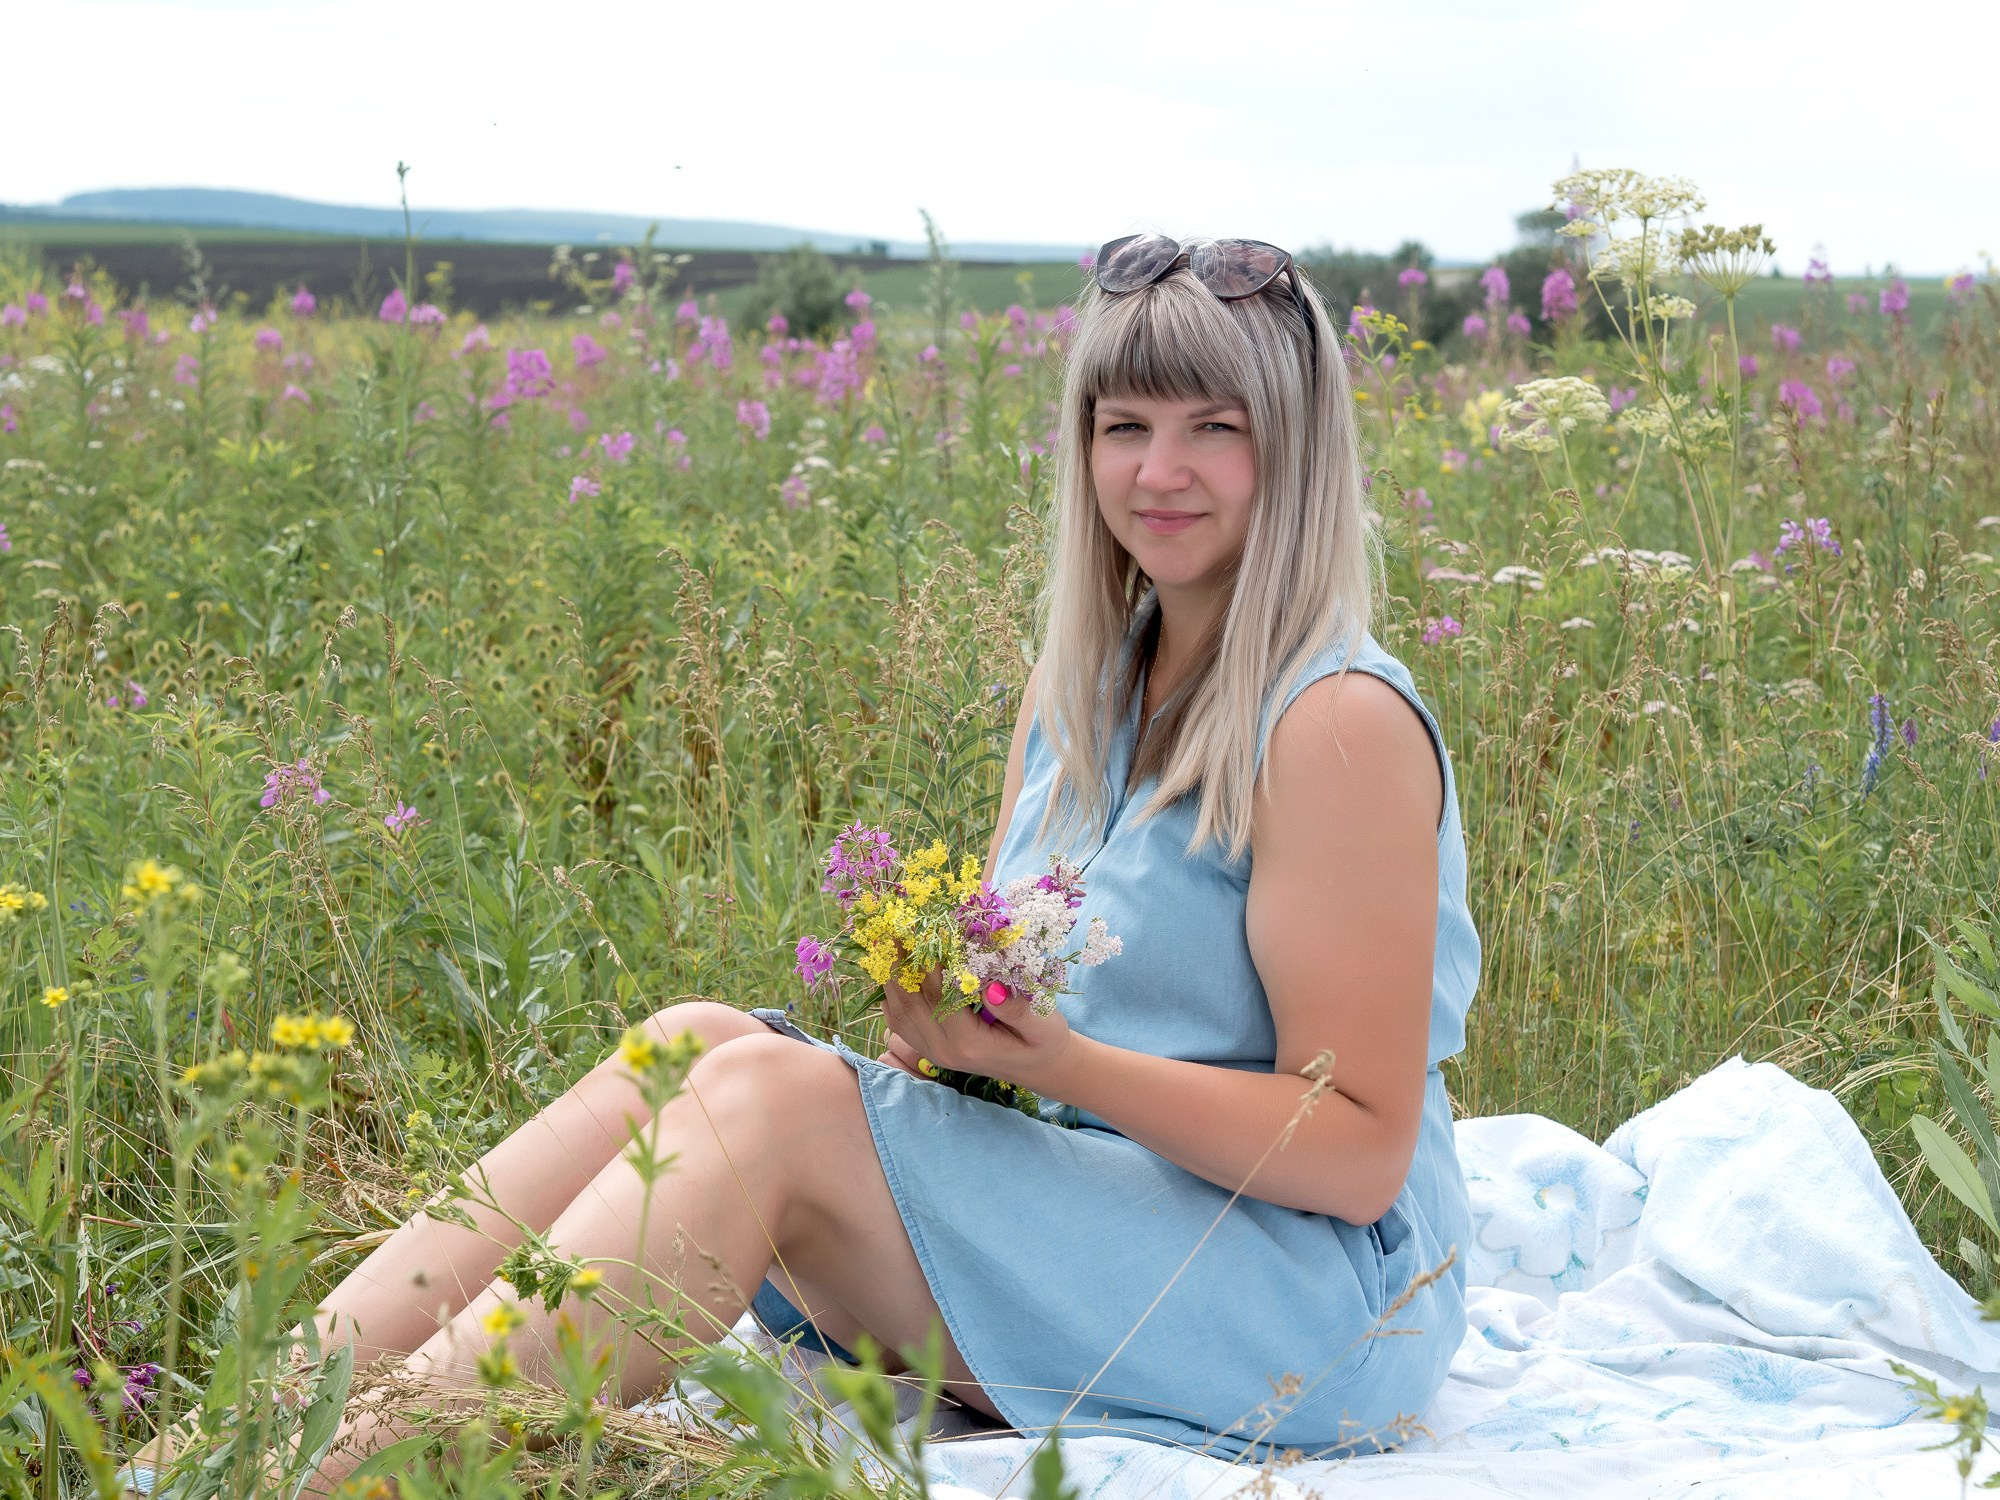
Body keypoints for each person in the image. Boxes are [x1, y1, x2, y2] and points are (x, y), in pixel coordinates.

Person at [307, 233, 1480, 1479]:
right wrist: (947, 1041)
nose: (1158, 471)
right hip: (1109, 1197)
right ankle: (258, 1427)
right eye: (1122, 425)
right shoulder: (1081, 691)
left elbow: (1356, 1151)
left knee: (774, 1107)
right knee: (700, 1044)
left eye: (1215, 427)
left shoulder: (1333, 724)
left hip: (1300, 1292)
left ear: (1292, 449)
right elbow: (1014, 1006)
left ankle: (364, 1476)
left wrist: (1063, 1064)